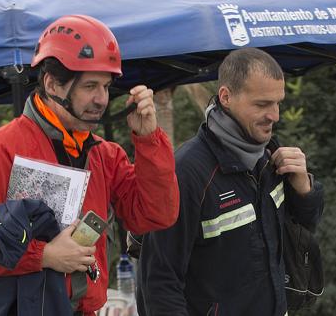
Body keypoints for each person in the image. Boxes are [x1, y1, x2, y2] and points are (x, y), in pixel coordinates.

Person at [0, 14, 180, 315]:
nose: (101, 99)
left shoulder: (105, 155)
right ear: (52, 83)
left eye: (106, 86)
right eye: (90, 86)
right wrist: (43, 256)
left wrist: (148, 140)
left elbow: (155, 215)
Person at [137, 47, 324, 316]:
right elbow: (159, 283)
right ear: (226, 97)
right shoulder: (186, 173)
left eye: (277, 102)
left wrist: (304, 190)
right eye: (262, 104)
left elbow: (306, 226)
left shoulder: (270, 156)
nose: (275, 115)